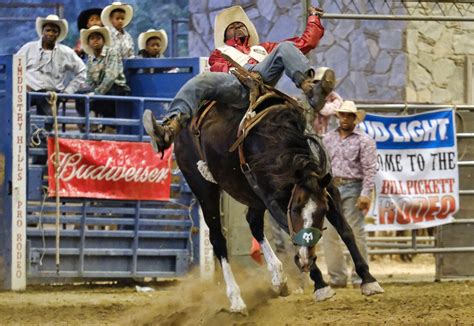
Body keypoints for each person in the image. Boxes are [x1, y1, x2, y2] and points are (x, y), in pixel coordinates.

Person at [143, 5, 336, 154]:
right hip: (236, 85)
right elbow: (219, 70)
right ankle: (170, 128)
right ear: (225, 35)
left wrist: (314, 18)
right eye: (232, 26)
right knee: (202, 80)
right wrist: (241, 74)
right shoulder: (219, 53)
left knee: (286, 47)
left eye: (240, 25)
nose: (236, 27)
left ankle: (310, 89)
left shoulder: (264, 48)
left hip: (263, 79)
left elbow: (306, 42)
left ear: (248, 31)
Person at [321, 100, 377, 288]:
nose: (345, 118)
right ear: (338, 116)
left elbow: (369, 169)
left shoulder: (364, 140)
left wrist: (366, 193)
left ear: (355, 118)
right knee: (329, 233)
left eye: (349, 115)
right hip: (330, 188)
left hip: (353, 187)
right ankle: (337, 277)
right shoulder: (327, 139)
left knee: (355, 232)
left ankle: (359, 275)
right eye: (342, 114)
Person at [17, 14, 86, 162]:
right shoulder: (28, 49)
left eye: (54, 31)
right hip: (28, 93)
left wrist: (68, 91)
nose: (50, 34)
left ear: (58, 34)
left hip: (51, 95)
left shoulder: (66, 52)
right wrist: (22, 85)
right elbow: (15, 67)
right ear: (42, 31)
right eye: (48, 30)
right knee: (16, 119)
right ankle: (20, 148)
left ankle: (39, 162)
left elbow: (82, 70)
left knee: (45, 128)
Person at [78, 25, 130, 133]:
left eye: (98, 38)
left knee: (105, 98)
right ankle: (89, 125)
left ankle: (108, 128)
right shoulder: (91, 59)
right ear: (89, 42)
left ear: (103, 40)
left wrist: (96, 93)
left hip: (116, 88)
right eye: (92, 38)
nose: (95, 41)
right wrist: (86, 89)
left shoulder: (112, 53)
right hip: (101, 90)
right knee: (79, 96)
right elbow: (89, 80)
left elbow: (111, 76)